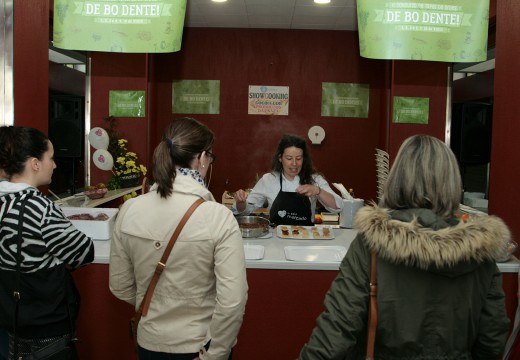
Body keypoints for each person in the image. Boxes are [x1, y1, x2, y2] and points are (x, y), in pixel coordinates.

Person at [299, 134, 511, 359]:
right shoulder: (480, 249)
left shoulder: (371, 244)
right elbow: (492, 335)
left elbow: (336, 332)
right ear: (452, 181)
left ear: (396, 178)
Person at [109, 117, 248, 360]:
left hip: (149, 341)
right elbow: (232, 301)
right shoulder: (218, 217)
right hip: (199, 345)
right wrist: (214, 354)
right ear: (203, 158)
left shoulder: (129, 210)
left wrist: (156, 305)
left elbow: (120, 285)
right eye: (211, 157)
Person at [0, 126, 94, 360]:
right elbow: (84, 252)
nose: (54, 164)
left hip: (7, 319)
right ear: (34, 163)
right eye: (50, 158)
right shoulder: (40, 209)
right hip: (44, 323)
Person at [232, 134, 343, 226]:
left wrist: (318, 191)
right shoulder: (269, 179)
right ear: (280, 158)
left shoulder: (315, 179)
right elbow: (245, 211)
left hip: (306, 240)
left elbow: (338, 207)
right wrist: (241, 202)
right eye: (289, 158)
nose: (294, 163)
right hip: (276, 240)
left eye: (298, 158)